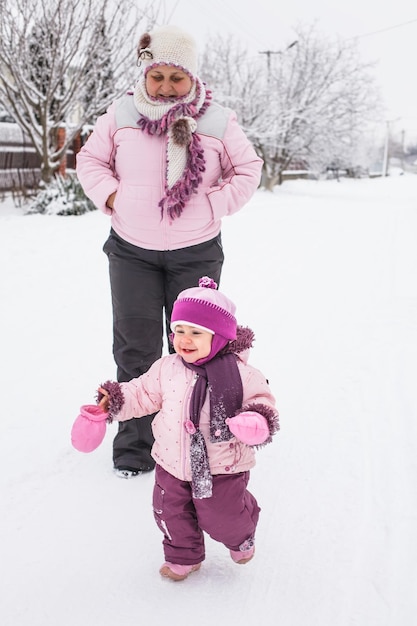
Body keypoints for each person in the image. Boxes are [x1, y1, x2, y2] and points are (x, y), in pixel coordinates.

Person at [75, 24, 263, 479]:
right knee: (135, 348)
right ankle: (135, 447)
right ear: (146, 71)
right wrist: (116, 198)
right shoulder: (120, 113)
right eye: (156, 75)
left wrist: (210, 204)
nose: (164, 86)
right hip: (131, 251)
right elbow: (90, 161)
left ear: (191, 76)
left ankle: (201, 436)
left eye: (175, 77)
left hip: (196, 251)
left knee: (199, 349)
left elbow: (248, 169)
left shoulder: (217, 119)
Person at [73, 277, 279, 581]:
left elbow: (263, 402)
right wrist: (114, 401)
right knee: (170, 513)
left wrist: (256, 422)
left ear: (220, 336)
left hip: (221, 466)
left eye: (196, 332)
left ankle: (241, 535)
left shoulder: (242, 374)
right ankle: (183, 555)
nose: (184, 339)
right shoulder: (167, 368)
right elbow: (141, 393)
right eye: (179, 330)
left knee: (222, 516)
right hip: (171, 462)